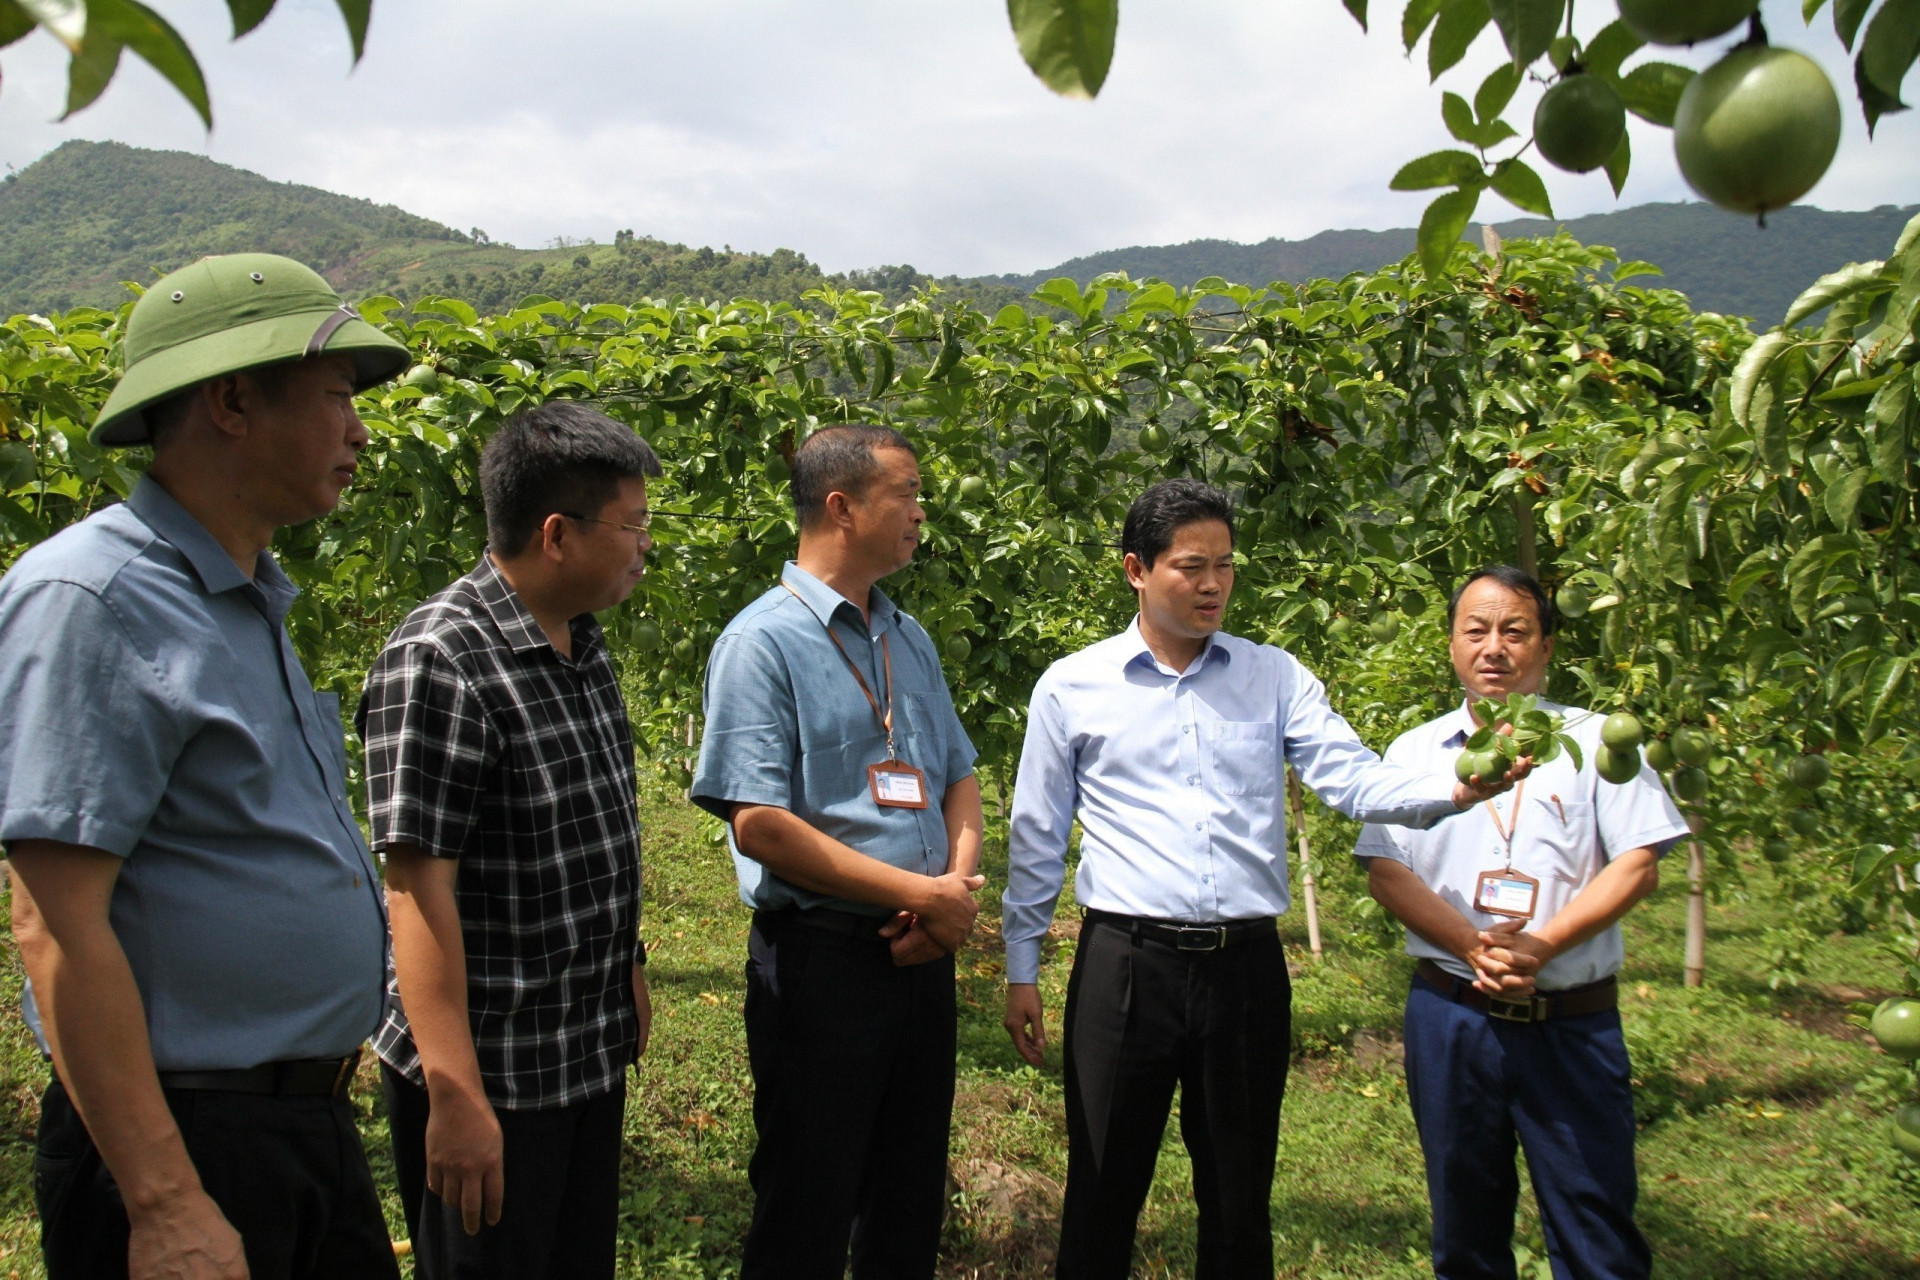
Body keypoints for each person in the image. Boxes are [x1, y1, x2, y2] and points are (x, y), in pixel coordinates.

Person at [0, 253, 411, 1279]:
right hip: (188, 1136)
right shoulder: (94, 599)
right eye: (334, 399)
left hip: (300, 1124)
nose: (359, 431)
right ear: (232, 400)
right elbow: (53, 919)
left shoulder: (245, 599)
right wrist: (167, 1199)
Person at [1001, 479, 1527, 1280]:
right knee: (1103, 1187)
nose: (1213, 584)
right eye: (1190, 567)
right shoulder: (1073, 687)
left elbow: (1352, 779)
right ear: (1136, 569)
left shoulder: (1273, 677)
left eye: (1225, 566)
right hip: (1125, 966)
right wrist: (1022, 965)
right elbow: (1037, 834)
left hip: (1244, 970)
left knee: (1240, 1196)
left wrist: (1452, 790)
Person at [358, 401, 661, 1279]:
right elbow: (417, 890)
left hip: (580, 1049)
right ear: (558, 533)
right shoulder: (442, 659)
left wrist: (627, 965)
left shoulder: (582, 640)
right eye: (633, 526)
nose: (646, 545)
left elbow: (589, 830)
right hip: (494, 1072)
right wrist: (455, 1098)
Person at [691, 424, 986, 1280]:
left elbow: (958, 775)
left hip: (919, 959)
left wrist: (953, 893)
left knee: (908, 1202)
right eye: (907, 493)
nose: (922, 512)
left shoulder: (908, 637)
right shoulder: (761, 644)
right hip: (824, 965)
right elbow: (762, 825)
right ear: (841, 506)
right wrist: (922, 893)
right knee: (807, 1209)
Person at [1356, 565, 1689, 1280]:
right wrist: (1470, 944)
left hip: (1567, 1019)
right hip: (1453, 1013)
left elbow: (1637, 863)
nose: (1494, 647)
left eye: (1515, 630)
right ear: (1451, 644)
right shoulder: (1415, 753)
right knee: (1464, 1228)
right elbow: (1387, 870)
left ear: (1546, 646)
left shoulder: (1601, 742)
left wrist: (1539, 945)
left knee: (1595, 1228)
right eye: (1475, 630)